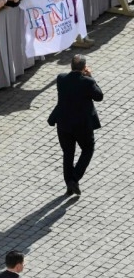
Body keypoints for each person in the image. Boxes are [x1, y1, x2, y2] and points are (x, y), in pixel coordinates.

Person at [48, 54, 103, 196]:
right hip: (82, 125)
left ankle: (69, 184)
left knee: (68, 153)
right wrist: (90, 77)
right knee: (88, 149)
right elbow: (99, 96)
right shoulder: (88, 82)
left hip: (64, 123)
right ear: (84, 68)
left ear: (71, 66)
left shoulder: (61, 79)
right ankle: (74, 179)